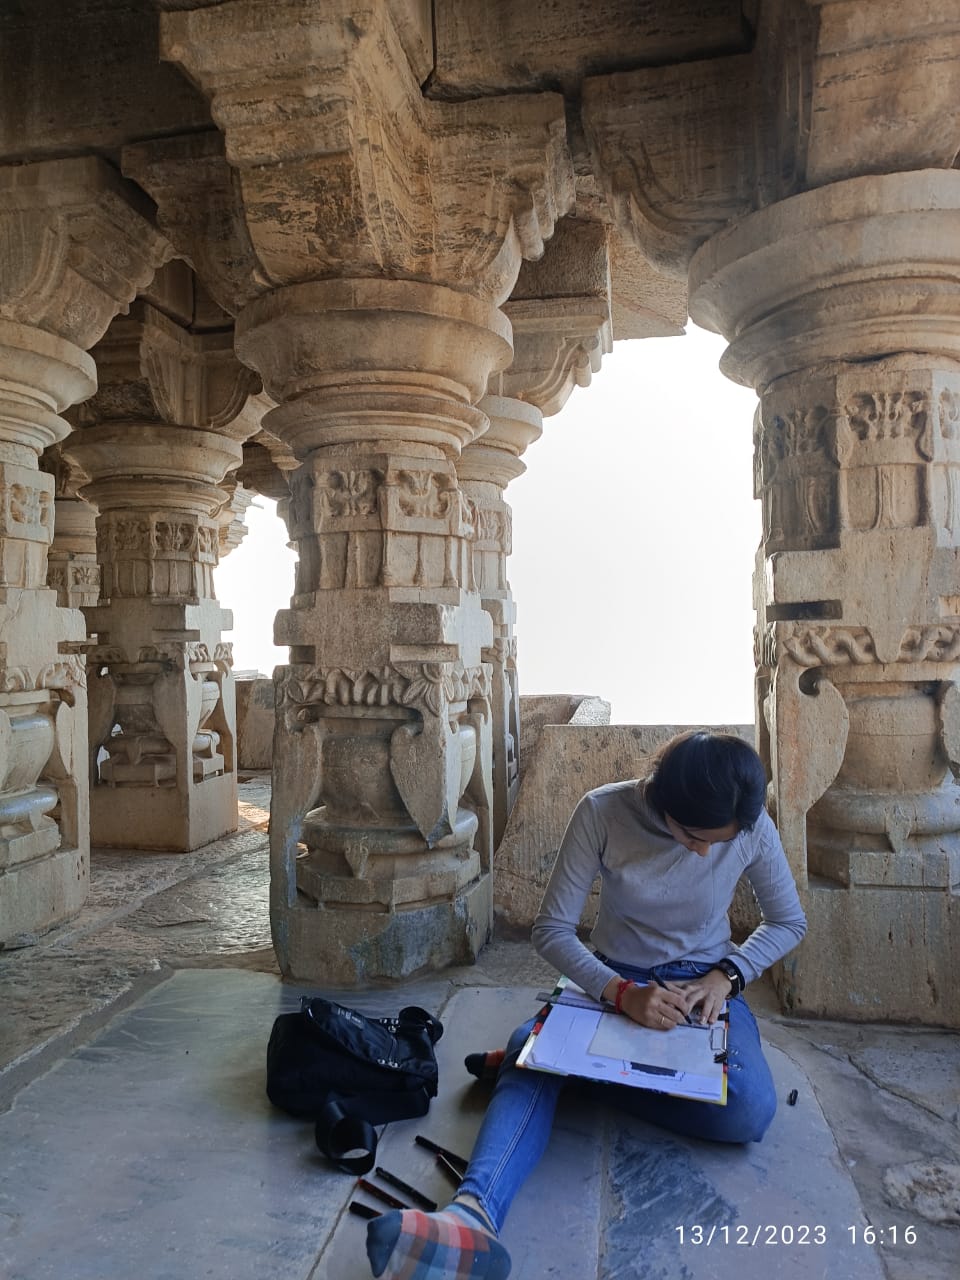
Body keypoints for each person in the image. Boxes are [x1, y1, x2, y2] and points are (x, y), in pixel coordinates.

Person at [366, 730, 807, 1279]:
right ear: (664, 801)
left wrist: (726, 976)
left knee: (749, 1110)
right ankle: (472, 1217)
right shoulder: (603, 811)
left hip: (702, 985)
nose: (704, 852)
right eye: (694, 837)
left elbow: (788, 920)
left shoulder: (747, 824)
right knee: (534, 1060)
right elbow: (552, 931)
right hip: (615, 975)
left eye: (718, 843)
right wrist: (621, 994)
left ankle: (574, 1073)